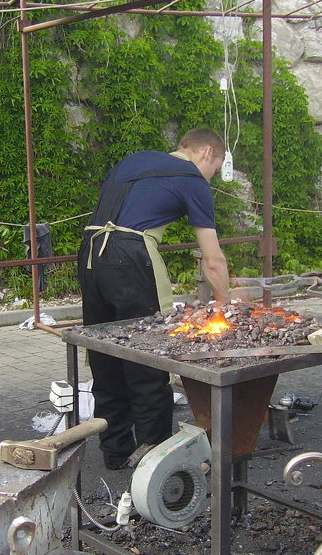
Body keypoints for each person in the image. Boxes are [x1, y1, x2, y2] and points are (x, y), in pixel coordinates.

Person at [78, 127, 231, 470]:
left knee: (106, 355)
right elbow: (213, 258)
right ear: (207, 153)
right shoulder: (193, 178)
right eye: (216, 167)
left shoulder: (135, 160)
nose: (211, 176)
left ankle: (115, 451)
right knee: (148, 357)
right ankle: (156, 457)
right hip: (130, 254)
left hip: (89, 253)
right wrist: (226, 300)